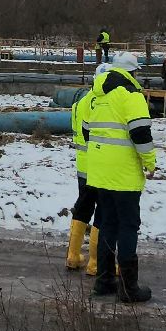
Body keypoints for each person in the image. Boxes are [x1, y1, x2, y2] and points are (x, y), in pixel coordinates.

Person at [83, 56, 156, 303]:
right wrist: (150, 163)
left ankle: (103, 281)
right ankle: (128, 287)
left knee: (108, 224)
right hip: (123, 174)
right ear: (133, 72)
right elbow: (140, 133)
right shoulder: (131, 95)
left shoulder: (96, 95)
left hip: (99, 171)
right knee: (128, 226)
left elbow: (85, 130)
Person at [64, 68, 106, 275]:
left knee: (83, 208)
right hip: (99, 166)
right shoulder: (101, 103)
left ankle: (73, 256)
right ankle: (95, 263)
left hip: (82, 166)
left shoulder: (80, 103)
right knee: (102, 211)